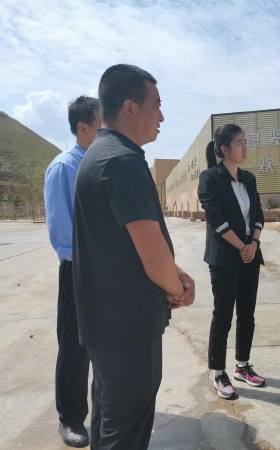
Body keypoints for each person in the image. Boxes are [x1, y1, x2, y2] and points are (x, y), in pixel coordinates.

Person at [72, 64, 195, 450]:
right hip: (128, 329)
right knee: (124, 434)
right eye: (156, 105)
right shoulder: (123, 162)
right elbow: (152, 257)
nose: (162, 116)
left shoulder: (100, 155)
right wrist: (177, 287)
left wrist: (175, 271)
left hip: (106, 325)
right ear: (130, 108)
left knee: (109, 423)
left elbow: (125, 240)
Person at [44, 95, 101, 447]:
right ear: (83, 127)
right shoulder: (64, 167)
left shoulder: (99, 163)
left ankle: (103, 411)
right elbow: (62, 231)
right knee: (74, 348)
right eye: (101, 124)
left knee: (104, 344)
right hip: (78, 268)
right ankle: (70, 418)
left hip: (106, 268)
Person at [198, 124, 266, 400]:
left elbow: (258, 214)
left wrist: (254, 244)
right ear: (225, 149)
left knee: (247, 314)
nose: (245, 147)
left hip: (250, 255)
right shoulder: (210, 178)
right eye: (240, 143)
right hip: (225, 259)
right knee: (223, 315)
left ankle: (242, 366)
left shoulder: (248, 178)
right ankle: (219, 373)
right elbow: (216, 219)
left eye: (246, 142)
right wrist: (242, 247)